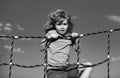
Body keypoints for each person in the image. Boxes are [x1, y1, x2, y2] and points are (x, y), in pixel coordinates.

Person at [40, 9, 93, 78]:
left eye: (65, 24)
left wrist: (76, 39)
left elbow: (78, 50)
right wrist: (48, 38)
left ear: (68, 25)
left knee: (89, 66)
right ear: (54, 25)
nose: (62, 27)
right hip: (54, 70)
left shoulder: (69, 36)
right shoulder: (51, 33)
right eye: (59, 24)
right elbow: (41, 48)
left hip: (67, 68)